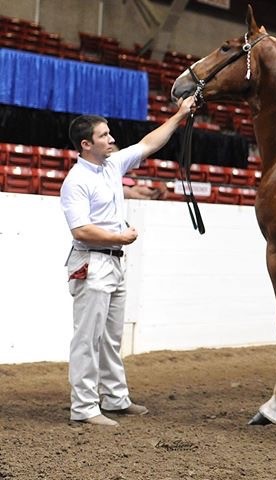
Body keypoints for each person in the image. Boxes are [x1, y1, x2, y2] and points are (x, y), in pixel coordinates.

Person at [60, 95, 195, 426]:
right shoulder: (76, 181)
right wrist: (118, 238)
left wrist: (179, 115)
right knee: (88, 338)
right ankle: (84, 408)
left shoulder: (111, 165)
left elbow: (149, 143)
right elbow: (80, 230)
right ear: (85, 144)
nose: (112, 139)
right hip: (92, 261)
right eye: (104, 135)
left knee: (109, 336)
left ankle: (115, 398)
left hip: (111, 262)